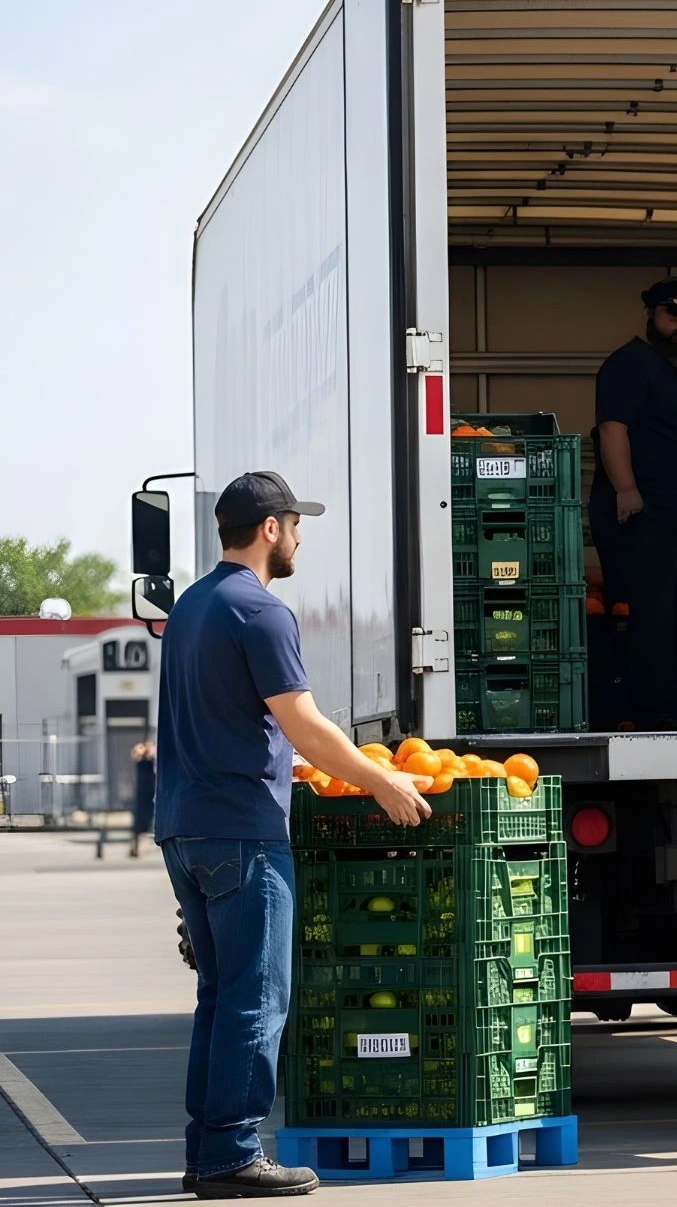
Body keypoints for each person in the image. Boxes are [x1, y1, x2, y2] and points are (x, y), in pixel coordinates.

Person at [156, 472, 430, 1198]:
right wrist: (381, 780)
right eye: (295, 522)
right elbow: (303, 724)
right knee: (256, 998)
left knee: (219, 996)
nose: (302, 534)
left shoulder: (190, 607)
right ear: (270, 529)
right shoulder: (260, 612)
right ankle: (233, 1156)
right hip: (242, 830)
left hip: (184, 828)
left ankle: (207, 1151)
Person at [592, 277, 677, 728]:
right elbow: (612, 428)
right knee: (656, 614)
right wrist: (627, 489)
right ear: (651, 315)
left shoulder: (668, 373)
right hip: (646, 514)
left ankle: (671, 705)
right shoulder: (629, 364)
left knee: (675, 612)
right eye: (671, 315)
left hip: (674, 517)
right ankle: (653, 710)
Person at [130, 739, 157, 857]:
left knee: (150, 818)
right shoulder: (141, 757)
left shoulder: (153, 757)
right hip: (144, 791)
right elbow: (136, 754)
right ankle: (135, 845)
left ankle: (140, 843)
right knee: (140, 819)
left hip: (152, 790)